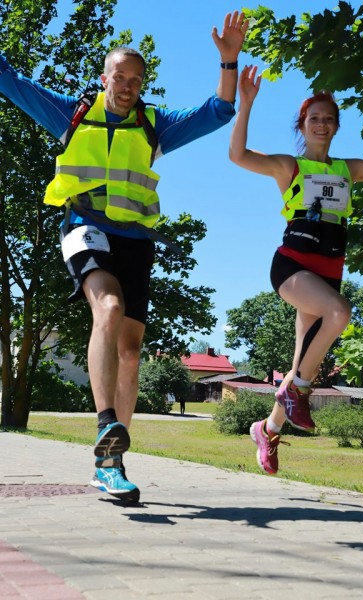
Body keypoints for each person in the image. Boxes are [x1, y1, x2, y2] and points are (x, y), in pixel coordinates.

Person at [0, 11, 248, 501]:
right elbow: (9, 80)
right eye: (120, 77)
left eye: (136, 80)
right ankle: (104, 422)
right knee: (108, 308)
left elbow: (219, 111)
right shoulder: (70, 114)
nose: (128, 87)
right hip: (84, 227)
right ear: (103, 78)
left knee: (131, 352)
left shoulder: (154, 125)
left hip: (136, 241)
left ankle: (110, 463)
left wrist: (228, 61)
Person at [229, 65, 363, 476]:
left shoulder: (348, 170)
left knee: (301, 362)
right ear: (302, 125)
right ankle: (298, 393)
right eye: (314, 118)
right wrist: (246, 104)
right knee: (339, 312)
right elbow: (238, 156)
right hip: (292, 267)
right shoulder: (288, 166)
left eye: (328, 119)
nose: (321, 124)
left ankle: (267, 430)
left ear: (337, 127)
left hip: (328, 272)